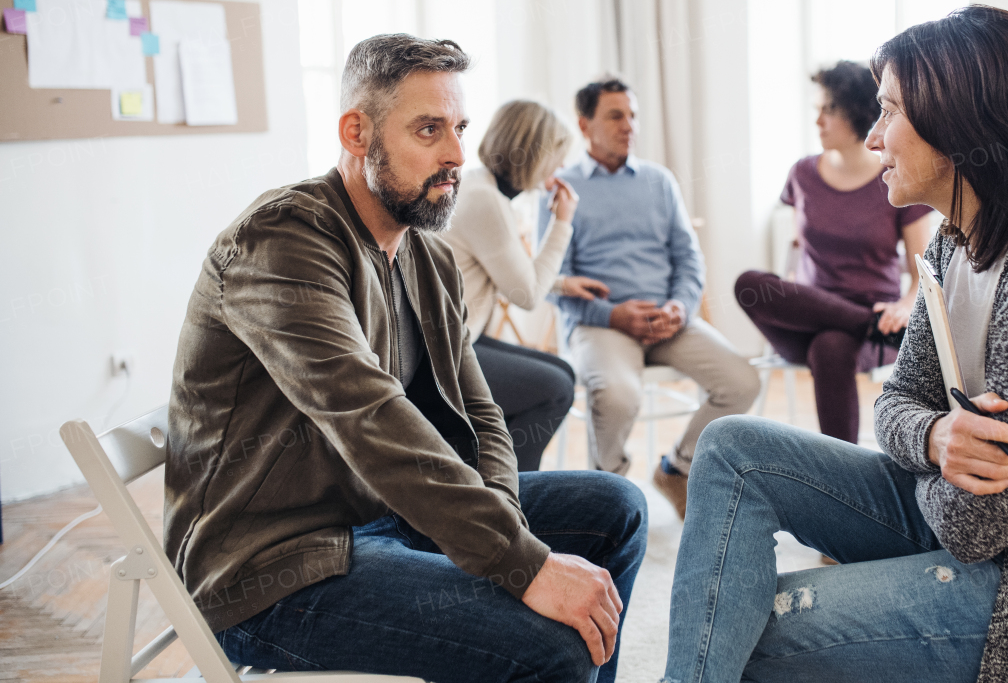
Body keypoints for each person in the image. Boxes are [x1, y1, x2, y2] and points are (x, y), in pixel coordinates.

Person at [662, 6, 1008, 683]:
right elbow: (896, 404)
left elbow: (976, 526)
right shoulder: (961, 239)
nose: (872, 139)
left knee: (751, 621)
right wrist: (933, 440)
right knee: (730, 447)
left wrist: (930, 447)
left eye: (888, 112)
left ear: (955, 123)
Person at [165, 34, 647, 683]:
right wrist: (520, 563)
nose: (455, 154)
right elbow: (371, 416)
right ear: (356, 132)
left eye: (458, 128)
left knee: (617, 507)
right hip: (271, 567)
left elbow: (481, 413)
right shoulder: (282, 241)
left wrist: (507, 535)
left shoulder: (425, 254)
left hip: (382, 518)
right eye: (428, 129)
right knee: (547, 647)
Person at [541, 77, 759, 519]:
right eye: (616, 116)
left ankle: (676, 469)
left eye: (633, 115)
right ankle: (608, 494)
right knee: (619, 395)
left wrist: (680, 305)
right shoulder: (560, 187)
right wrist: (612, 314)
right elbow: (550, 278)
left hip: (668, 319)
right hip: (602, 323)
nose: (629, 126)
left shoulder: (659, 181)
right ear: (585, 125)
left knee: (742, 381)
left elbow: (688, 258)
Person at [735, 60, 934, 444]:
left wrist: (905, 307)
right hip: (812, 311)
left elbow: (922, 270)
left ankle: (841, 470)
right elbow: (798, 255)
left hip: (878, 320)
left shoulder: (895, 178)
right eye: (817, 111)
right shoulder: (802, 174)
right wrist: (793, 296)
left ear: (857, 113)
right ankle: (864, 323)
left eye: (829, 110)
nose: (818, 122)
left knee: (832, 345)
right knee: (749, 283)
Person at [440, 99, 610, 471]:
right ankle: (516, 491)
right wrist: (563, 222)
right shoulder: (485, 199)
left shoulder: (482, 187)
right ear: (533, 154)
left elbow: (507, 275)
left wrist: (563, 284)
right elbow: (527, 295)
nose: (561, 166)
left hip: (461, 337)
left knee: (563, 372)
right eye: (557, 155)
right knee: (554, 389)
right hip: (444, 353)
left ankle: (496, 474)